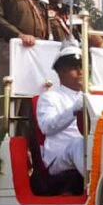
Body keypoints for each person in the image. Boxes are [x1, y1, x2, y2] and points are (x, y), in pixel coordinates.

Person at [36, 41, 92, 175]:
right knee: (79, 144)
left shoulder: (90, 96)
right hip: (57, 155)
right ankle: (93, 188)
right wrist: (73, 110)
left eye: (82, 67)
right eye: (74, 68)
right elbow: (46, 127)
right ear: (60, 73)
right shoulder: (49, 97)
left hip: (84, 149)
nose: (80, 72)